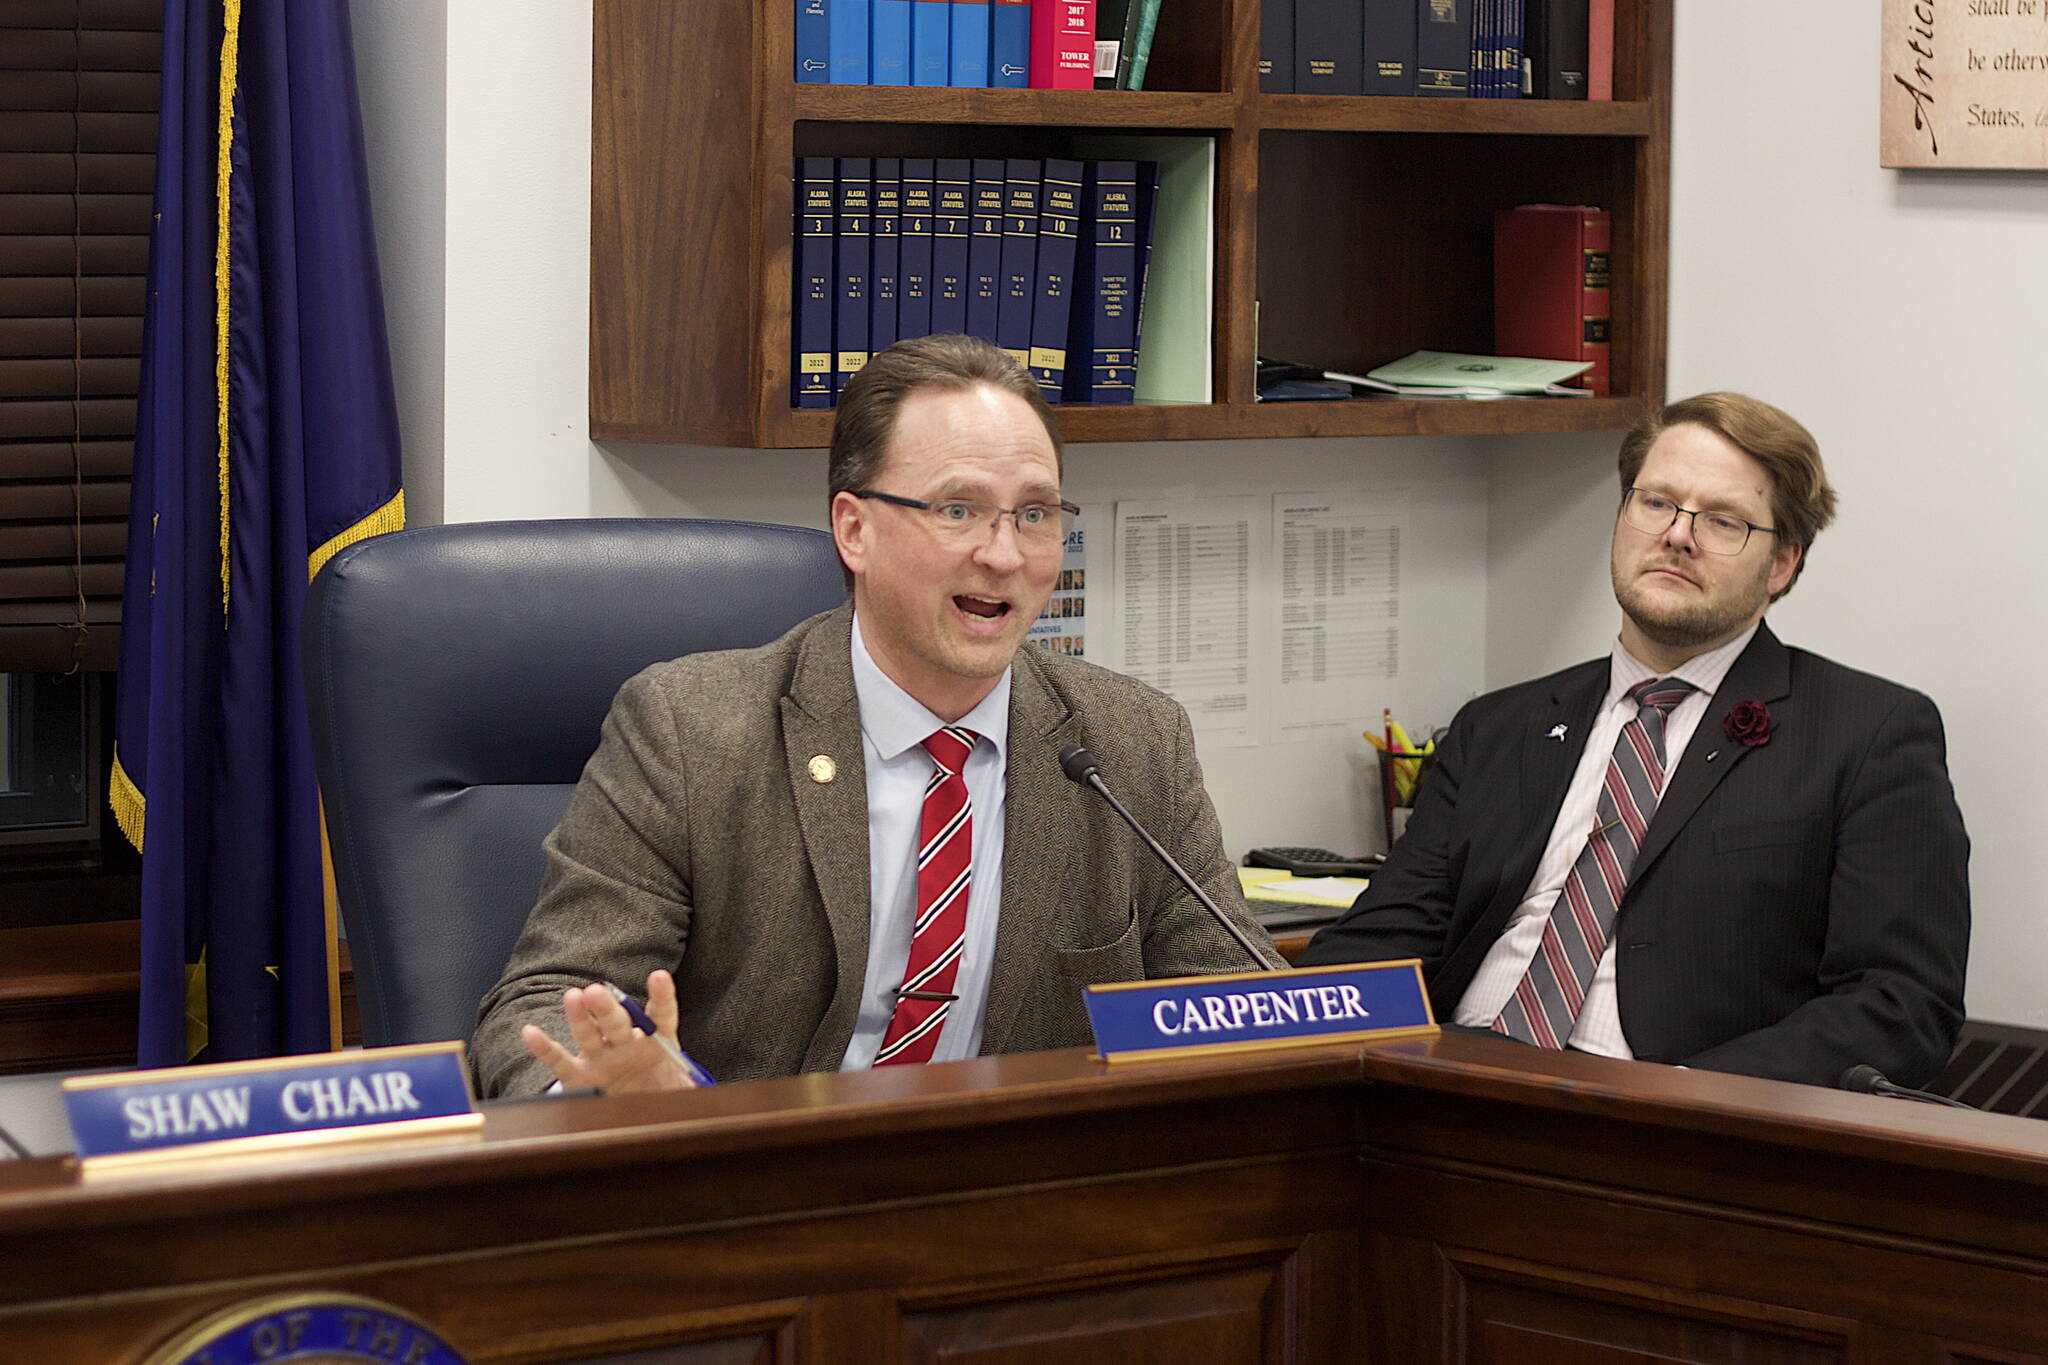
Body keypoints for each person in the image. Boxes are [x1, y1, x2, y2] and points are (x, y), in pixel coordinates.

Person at [472, 335, 1278, 1098]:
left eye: (1034, 513)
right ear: (854, 529)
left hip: (1017, 1203)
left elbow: (1246, 1004)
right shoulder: (690, 733)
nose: (1004, 554)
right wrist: (613, 1082)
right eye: (958, 509)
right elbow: (540, 1004)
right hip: (756, 1201)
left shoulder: (1131, 744)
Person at [1298, 392, 1969, 1089]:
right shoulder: (1499, 727)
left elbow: (1902, 1005)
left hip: (1669, 1125)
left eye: (1723, 520)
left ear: (1783, 565)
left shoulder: (1868, 734)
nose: (1678, 534)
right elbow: (1384, 942)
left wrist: (1685, 1096)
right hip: (1449, 1085)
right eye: (1656, 503)